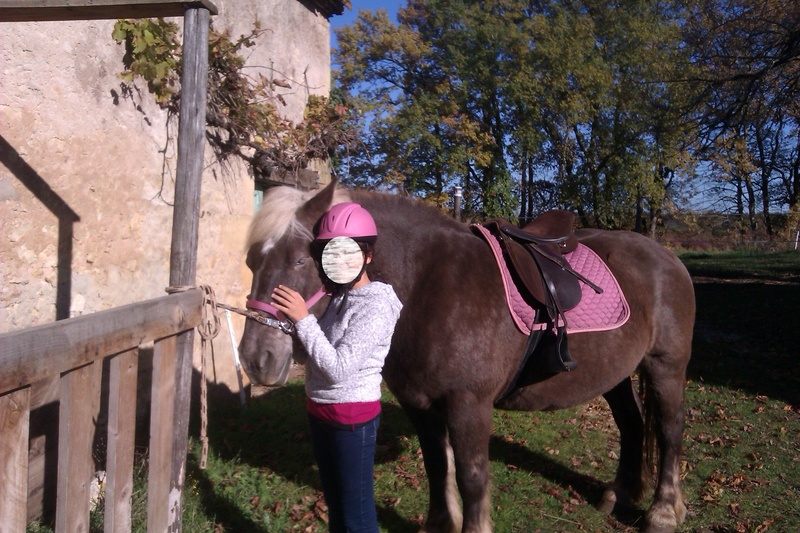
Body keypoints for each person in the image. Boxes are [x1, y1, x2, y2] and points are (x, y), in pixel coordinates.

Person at [270, 202, 403, 533]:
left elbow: (339, 369)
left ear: (368, 255)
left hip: (351, 421)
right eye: (331, 253)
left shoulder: (377, 305)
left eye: (349, 253)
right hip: (321, 413)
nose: (339, 262)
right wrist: (293, 327)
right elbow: (319, 350)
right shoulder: (340, 298)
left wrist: (304, 320)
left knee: (356, 516)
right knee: (338, 507)